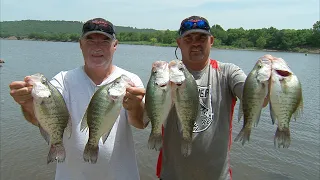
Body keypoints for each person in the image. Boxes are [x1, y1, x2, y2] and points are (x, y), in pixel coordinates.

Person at [9, 18, 146, 180]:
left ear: (115, 45)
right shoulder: (62, 80)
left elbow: (141, 123)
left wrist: (135, 107)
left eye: (104, 41)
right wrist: (27, 104)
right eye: (90, 40)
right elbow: (38, 119)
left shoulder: (129, 80)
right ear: (81, 44)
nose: (97, 47)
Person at [156, 16, 247, 180]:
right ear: (179, 42)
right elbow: (145, 118)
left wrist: (267, 80)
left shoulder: (228, 73)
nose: (195, 43)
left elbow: (256, 99)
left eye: (201, 38)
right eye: (188, 38)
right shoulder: (165, 76)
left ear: (211, 40)